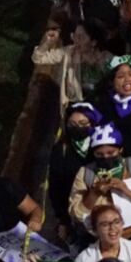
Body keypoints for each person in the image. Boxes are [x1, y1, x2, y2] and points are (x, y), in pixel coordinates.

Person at [68, 123, 131, 246]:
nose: (105, 157)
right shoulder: (86, 173)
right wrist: (94, 193)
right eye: (99, 154)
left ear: (120, 150)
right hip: (103, 239)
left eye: (111, 153)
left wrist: (127, 190)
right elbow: (76, 214)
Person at [49, 102, 102, 243]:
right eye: (72, 124)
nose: (77, 127)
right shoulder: (61, 151)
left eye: (83, 123)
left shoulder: (102, 146)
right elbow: (55, 188)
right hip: (77, 215)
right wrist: (63, 220)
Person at [33, 19, 113, 111]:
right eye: (74, 36)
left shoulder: (108, 59)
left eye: (81, 37)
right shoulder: (69, 52)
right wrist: (48, 42)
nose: (76, 41)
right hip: (76, 108)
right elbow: (38, 58)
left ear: (93, 42)